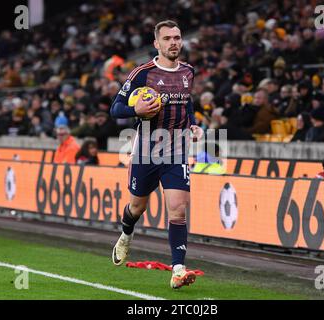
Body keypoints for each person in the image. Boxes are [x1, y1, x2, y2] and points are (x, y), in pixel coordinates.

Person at [110, 20, 203, 289]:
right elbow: (115, 109)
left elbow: (188, 101)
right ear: (157, 44)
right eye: (167, 38)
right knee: (137, 207)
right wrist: (135, 110)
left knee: (178, 210)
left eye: (177, 37)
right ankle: (126, 234)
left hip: (176, 149)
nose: (173, 42)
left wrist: (193, 123)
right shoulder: (142, 73)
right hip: (146, 150)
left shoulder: (188, 72)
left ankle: (178, 270)